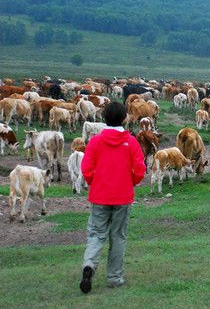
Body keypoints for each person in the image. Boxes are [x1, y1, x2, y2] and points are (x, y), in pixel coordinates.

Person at [79, 101, 146, 293]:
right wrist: (130, 182)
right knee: (118, 236)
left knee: (96, 234)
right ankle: (115, 278)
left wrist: (96, 182)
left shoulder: (95, 141)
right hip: (122, 196)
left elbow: (86, 169)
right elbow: (140, 170)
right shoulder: (131, 142)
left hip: (99, 196)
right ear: (125, 118)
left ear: (104, 118)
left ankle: (89, 265)